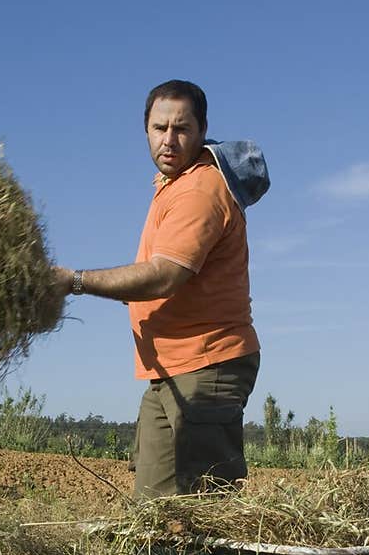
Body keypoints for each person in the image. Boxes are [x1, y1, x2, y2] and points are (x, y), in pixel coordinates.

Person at [53, 79, 268, 498]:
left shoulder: (200, 189)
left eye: (181, 128)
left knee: (201, 510)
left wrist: (74, 281)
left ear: (202, 130)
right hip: (169, 369)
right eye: (159, 128)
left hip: (207, 365)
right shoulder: (172, 185)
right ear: (146, 130)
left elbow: (165, 274)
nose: (168, 139)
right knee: (153, 511)